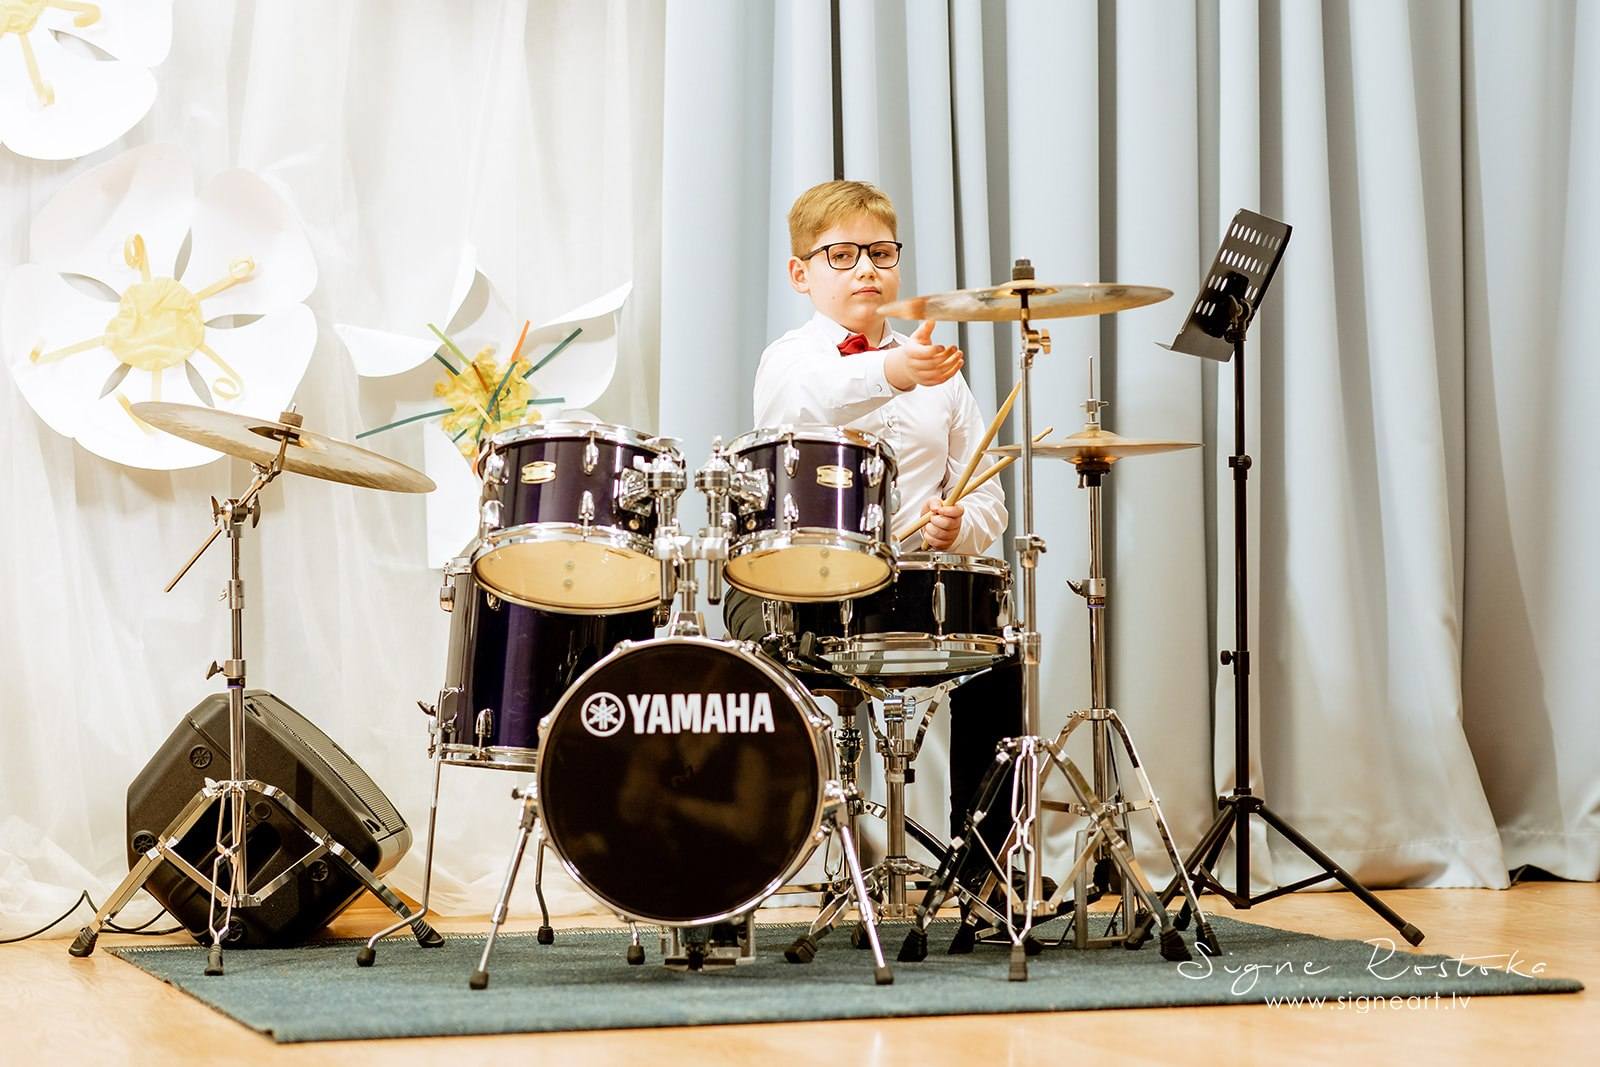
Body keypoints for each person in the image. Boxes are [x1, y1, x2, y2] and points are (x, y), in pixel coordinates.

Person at [724, 179, 1025, 910]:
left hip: (909, 590)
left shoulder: (943, 382)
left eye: (881, 253)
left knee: (1003, 656)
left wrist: (962, 523)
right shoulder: (788, 359)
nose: (866, 268)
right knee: (746, 667)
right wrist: (894, 371)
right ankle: (749, 865)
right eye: (842, 255)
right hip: (797, 590)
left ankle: (984, 870)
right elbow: (814, 397)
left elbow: (989, 494)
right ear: (801, 274)